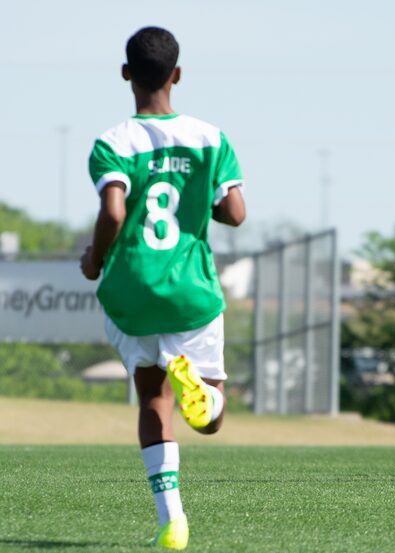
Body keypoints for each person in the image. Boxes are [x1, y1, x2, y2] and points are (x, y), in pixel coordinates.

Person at [80, 27, 246, 549]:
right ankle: (204, 396)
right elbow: (236, 214)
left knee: (152, 398)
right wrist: (203, 201)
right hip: (189, 292)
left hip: (131, 290)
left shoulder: (112, 142)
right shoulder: (211, 138)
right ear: (177, 75)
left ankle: (171, 520)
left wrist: (95, 256)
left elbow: (113, 209)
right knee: (210, 418)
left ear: (127, 74)